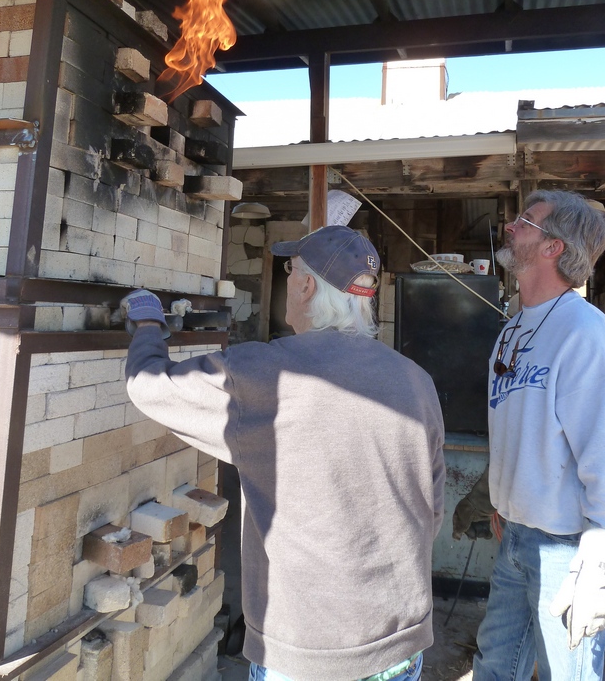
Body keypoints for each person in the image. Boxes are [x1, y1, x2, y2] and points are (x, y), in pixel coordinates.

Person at [123, 225, 445, 681]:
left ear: (306, 285)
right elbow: (431, 515)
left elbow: (149, 387)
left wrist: (149, 325)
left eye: (291, 270)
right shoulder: (417, 380)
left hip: (304, 653)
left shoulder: (263, 373)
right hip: (399, 645)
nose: (289, 280)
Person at [453, 191, 605, 681]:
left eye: (525, 222)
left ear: (553, 248)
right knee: (495, 668)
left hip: (567, 549)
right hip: (515, 537)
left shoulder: (586, 334)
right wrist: (500, 504)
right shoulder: (513, 330)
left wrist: (603, 564)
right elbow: (518, 433)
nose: (510, 227)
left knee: (565, 674)